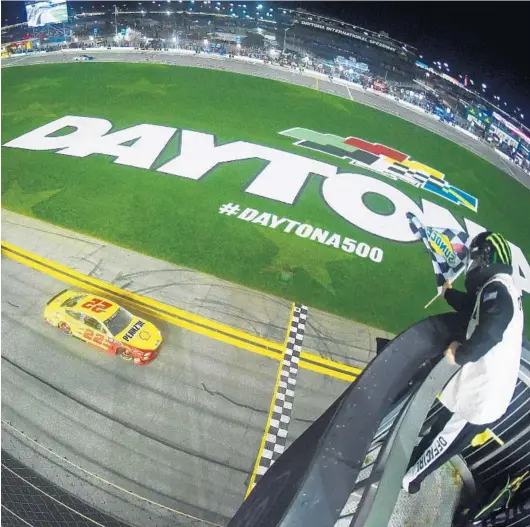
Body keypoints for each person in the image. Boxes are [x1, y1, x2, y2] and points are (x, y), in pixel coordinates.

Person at [402, 231, 524, 494]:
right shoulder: (499, 287)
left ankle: (408, 480)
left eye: (477, 259)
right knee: (441, 434)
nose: (473, 265)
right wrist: (448, 293)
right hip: (482, 391)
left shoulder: (497, 290)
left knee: (443, 442)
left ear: (488, 258)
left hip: (481, 398)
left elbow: (492, 328)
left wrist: (460, 353)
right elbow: (474, 307)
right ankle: (412, 468)